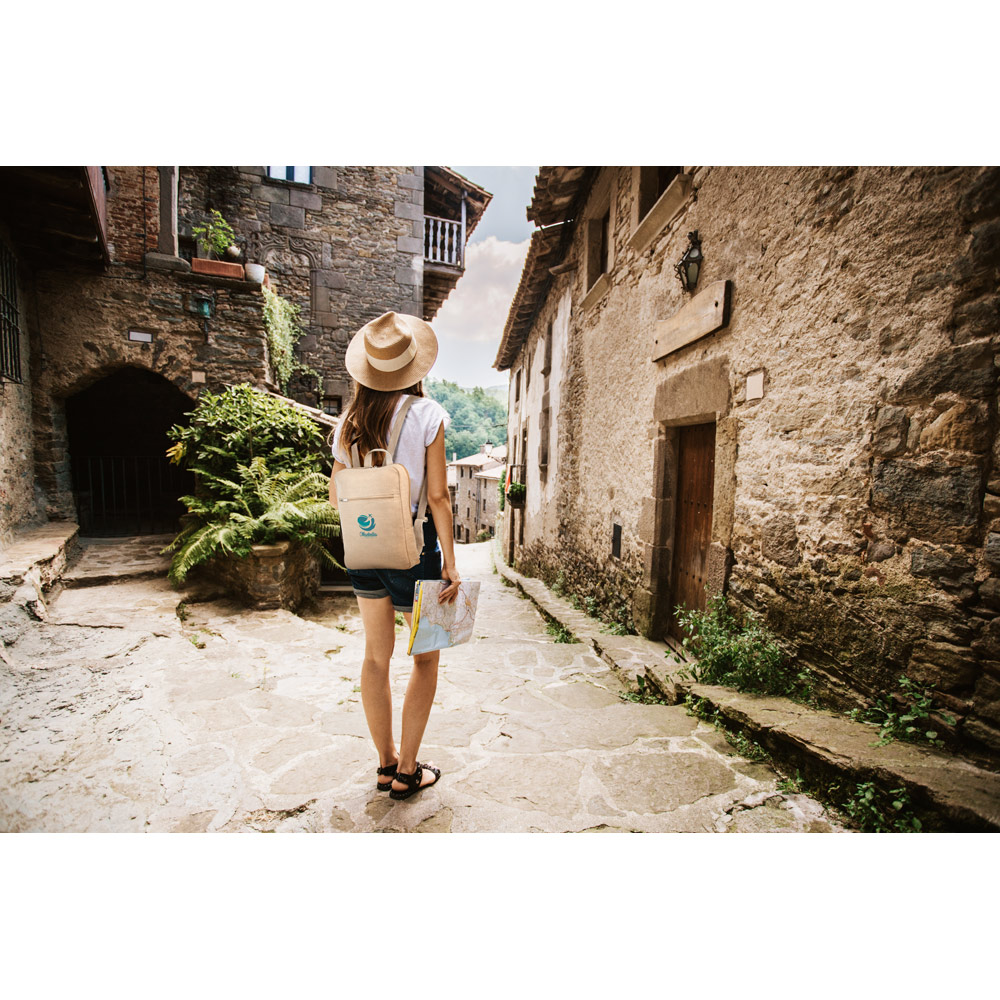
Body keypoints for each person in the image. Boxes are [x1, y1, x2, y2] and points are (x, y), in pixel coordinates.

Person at [328, 311, 460, 801]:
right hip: (415, 552)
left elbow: (335, 497)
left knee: (374, 657)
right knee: (425, 659)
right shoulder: (428, 415)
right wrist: (450, 563)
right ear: (413, 367)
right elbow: (439, 497)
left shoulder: (348, 422)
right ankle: (408, 771)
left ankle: (384, 764)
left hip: (363, 551)